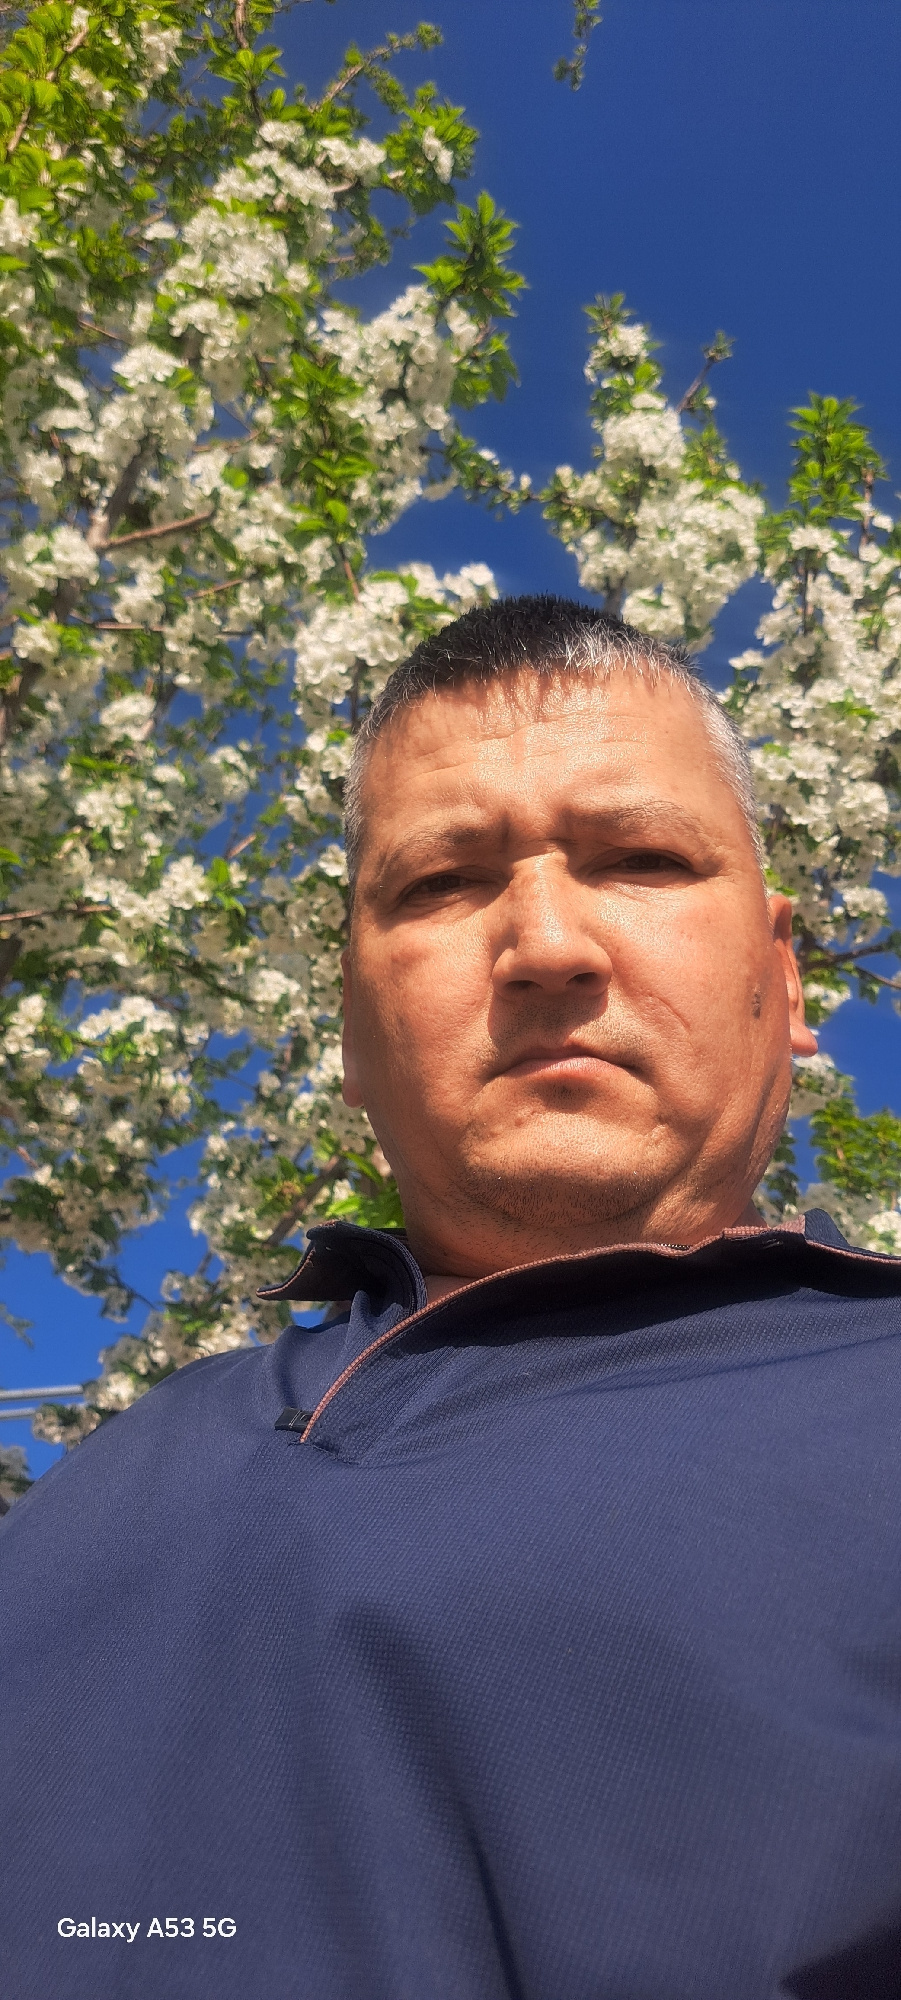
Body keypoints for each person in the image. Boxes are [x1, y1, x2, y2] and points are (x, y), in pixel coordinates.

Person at [3, 595, 901, 2000]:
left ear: (783, 977)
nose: (545, 945)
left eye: (642, 859)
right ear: (349, 1028)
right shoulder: (98, 1493)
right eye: (440, 885)